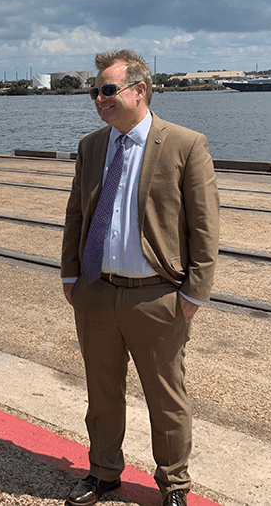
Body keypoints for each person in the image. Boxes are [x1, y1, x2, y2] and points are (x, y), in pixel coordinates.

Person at [61, 50, 220, 506]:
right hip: (97, 292)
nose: (99, 98)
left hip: (157, 295)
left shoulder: (185, 145)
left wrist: (193, 293)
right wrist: (71, 275)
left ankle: (173, 484)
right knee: (101, 393)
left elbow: (204, 226)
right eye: (95, 91)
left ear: (139, 91)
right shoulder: (92, 145)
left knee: (167, 399)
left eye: (108, 90)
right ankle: (103, 473)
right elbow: (77, 214)